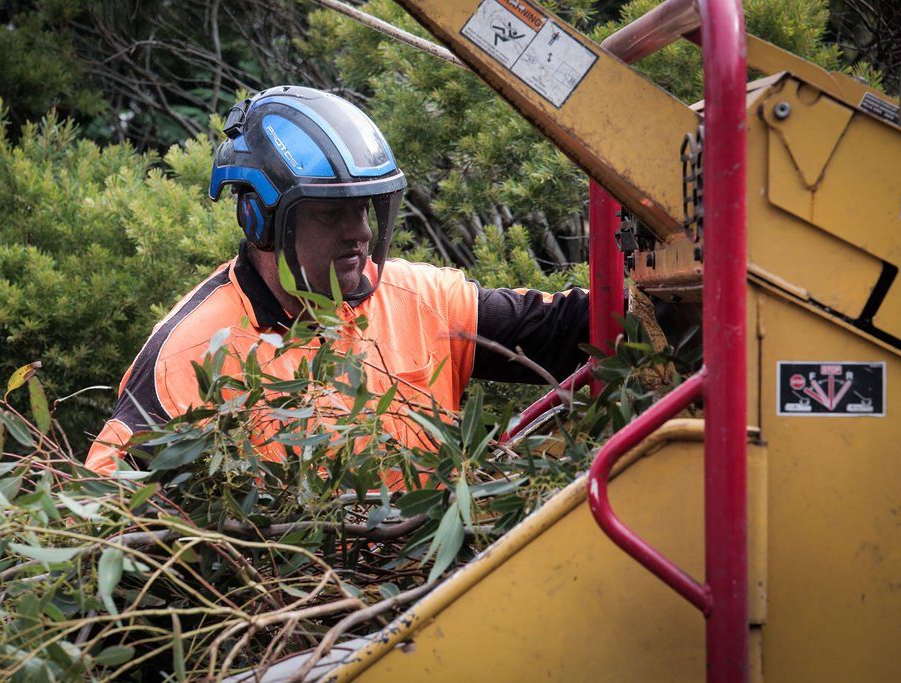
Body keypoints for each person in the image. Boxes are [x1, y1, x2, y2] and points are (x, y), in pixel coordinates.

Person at [85, 85, 589, 476]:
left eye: (365, 210)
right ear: (260, 220)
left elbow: (567, 329)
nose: (361, 234)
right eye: (331, 215)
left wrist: (656, 294)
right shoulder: (192, 354)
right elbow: (109, 509)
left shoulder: (422, 301)